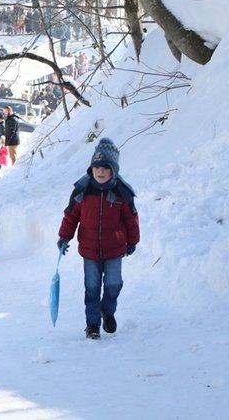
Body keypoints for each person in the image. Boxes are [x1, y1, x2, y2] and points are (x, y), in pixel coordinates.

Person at [58, 138, 140, 340]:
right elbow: (71, 215)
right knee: (92, 288)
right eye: (96, 167)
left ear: (113, 171)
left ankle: (108, 311)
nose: (100, 171)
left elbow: (131, 219)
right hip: (89, 250)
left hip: (115, 249)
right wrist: (64, 237)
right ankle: (92, 325)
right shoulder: (83, 190)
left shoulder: (121, 192)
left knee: (114, 284)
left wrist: (132, 241)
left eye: (105, 168)